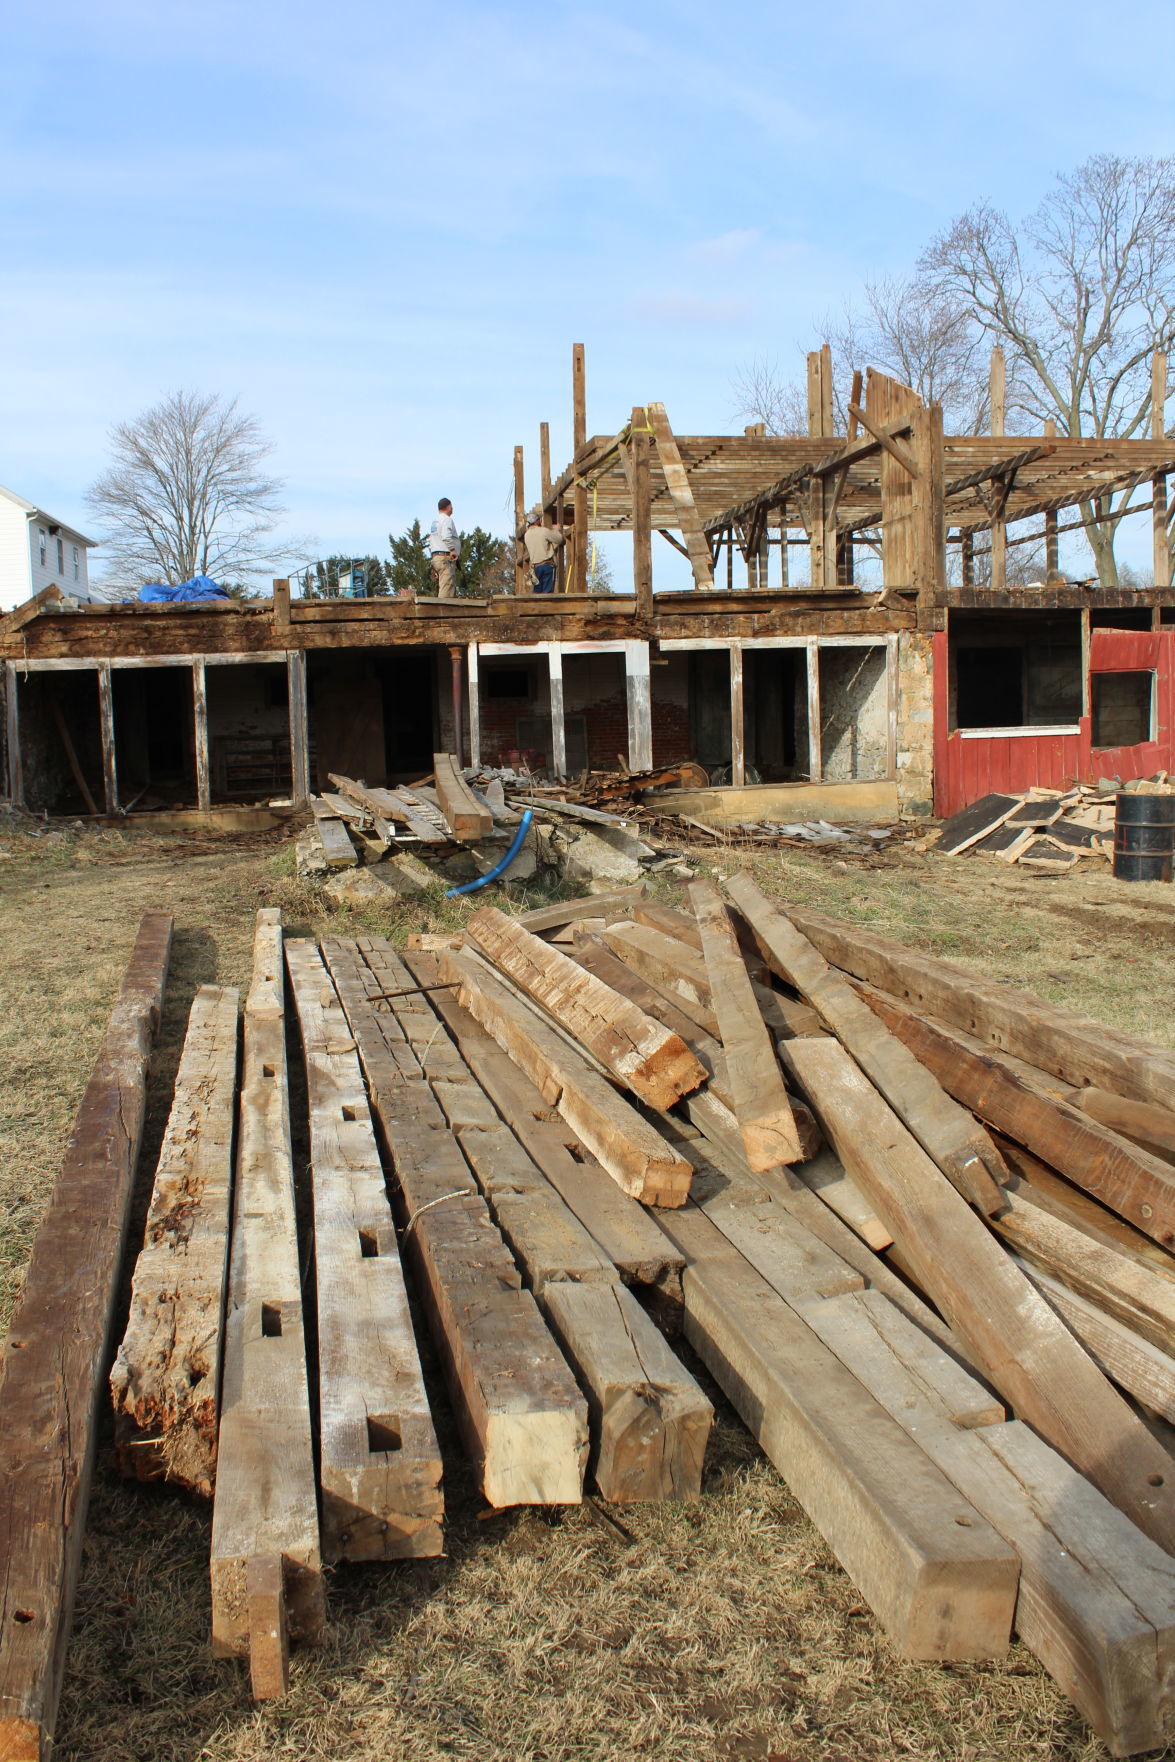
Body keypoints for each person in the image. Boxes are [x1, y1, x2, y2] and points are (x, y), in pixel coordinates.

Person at [523, 510, 567, 595]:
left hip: (536, 568)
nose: (541, 520)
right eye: (539, 519)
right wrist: (556, 530)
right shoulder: (543, 531)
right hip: (547, 566)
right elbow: (559, 539)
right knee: (547, 593)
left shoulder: (526, 535)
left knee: (537, 593)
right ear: (536, 521)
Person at [427, 498, 460, 597]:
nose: (452, 508)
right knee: (447, 588)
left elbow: (432, 541)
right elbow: (446, 536)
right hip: (445, 558)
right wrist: (453, 550)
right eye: (451, 506)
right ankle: (443, 611)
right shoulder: (446, 519)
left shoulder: (436, 521)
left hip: (437, 557)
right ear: (448, 507)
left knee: (443, 586)